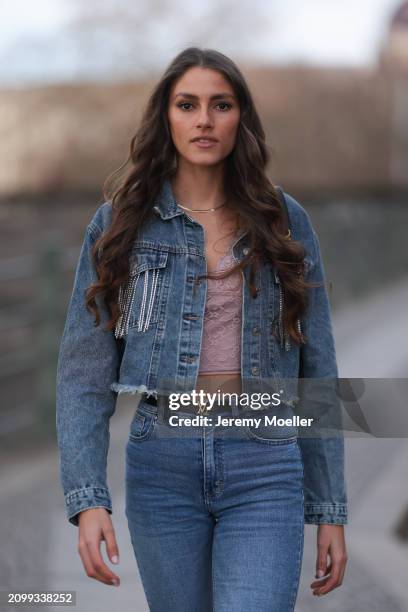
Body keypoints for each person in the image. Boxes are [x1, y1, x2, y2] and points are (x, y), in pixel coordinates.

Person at [56, 47, 348, 611]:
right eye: (187, 105)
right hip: (162, 464)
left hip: (265, 461)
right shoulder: (120, 224)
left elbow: (320, 369)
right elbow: (83, 371)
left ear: (242, 118)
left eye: (222, 105)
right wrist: (88, 499)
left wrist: (329, 509)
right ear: (166, 117)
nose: (205, 120)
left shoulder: (284, 221)